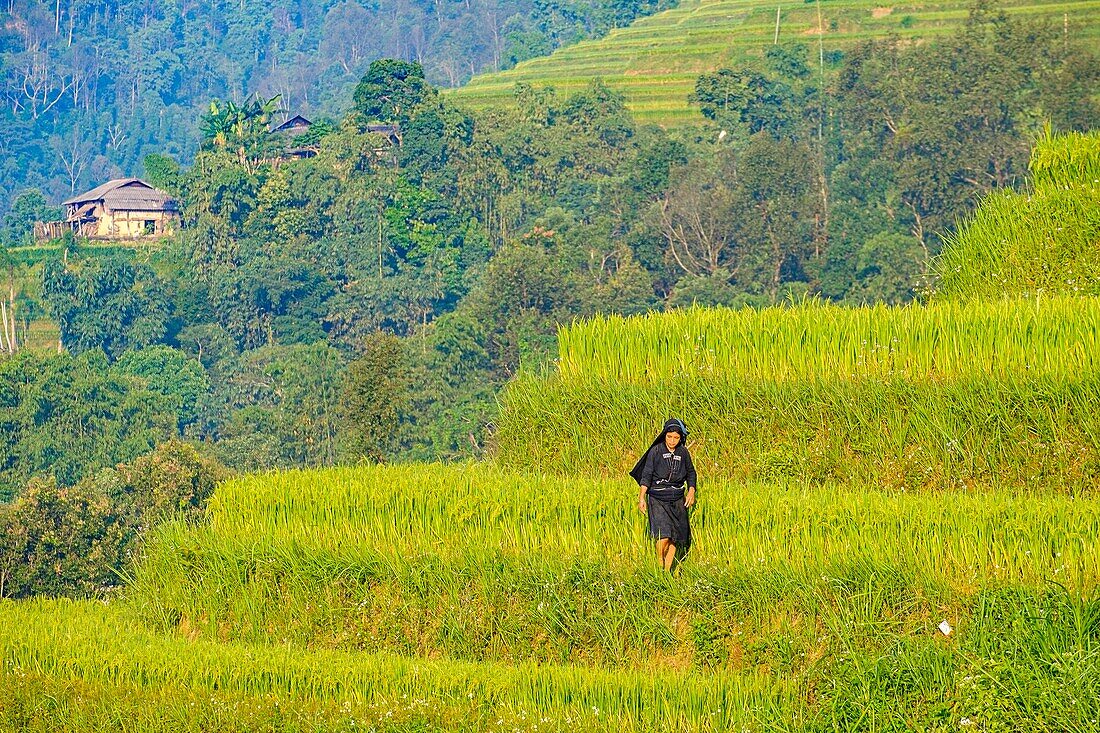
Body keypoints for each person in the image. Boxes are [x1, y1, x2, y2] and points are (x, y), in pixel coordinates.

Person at [629, 418, 697, 572]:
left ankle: (666, 572)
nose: (672, 441)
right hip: (658, 497)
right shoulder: (656, 451)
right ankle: (660, 559)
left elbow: (691, 473)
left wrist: (691, 490)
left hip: (677, 497)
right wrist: (641, 498)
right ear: (664, 435)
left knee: (676, 537)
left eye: (676, 438)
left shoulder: (683, 452)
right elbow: (646, 475)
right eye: (669, 437)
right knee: (664, 535)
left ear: (680, 438)